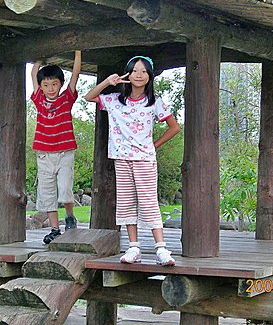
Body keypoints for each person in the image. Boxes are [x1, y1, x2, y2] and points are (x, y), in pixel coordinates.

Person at [84, 55, 180, 266]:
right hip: (121, 158)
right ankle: (133, 247)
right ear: (128, 73)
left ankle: (161, 248)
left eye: (144, 71)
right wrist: (109, 82)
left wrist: (153, 145)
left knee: (149, 202)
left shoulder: (154, 102)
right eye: (135, 70)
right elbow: (88, 97)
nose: (139, 75)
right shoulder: (114, 100)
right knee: (126, 203)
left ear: (150, 76)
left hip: (144, 159)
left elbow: (174, 127)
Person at [31, 51, 81, 244]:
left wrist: (77, 52)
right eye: (46, 85)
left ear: (60, 84)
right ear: (41, 86)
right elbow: (33, 73)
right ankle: (54, 229)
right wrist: (39, 57)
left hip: (64, 152)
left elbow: (75, 74)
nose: (50, 88)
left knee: (65, 188)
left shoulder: (67, 98)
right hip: (44, 154)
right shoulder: (39, 99)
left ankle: (69, 216)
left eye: (54, 84)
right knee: (47, 192)